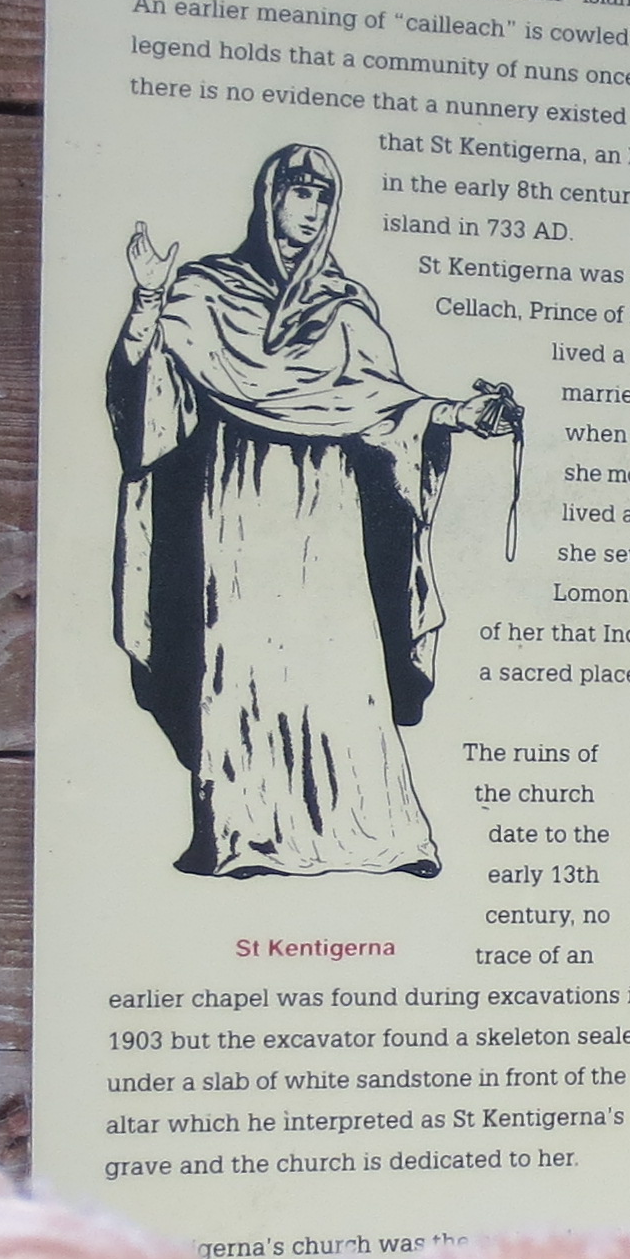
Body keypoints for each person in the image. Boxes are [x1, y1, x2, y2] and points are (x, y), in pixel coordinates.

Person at [108, 145, 518, 878]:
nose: (311, 210)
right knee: (247, 662)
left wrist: (458, 414)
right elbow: (148, 407)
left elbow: (387, 408)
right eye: (299, 192)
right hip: (238, 511)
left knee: (339, 659)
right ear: (268, 199)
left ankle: (378, 832)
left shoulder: (344, 308)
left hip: (326, 510)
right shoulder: (205, 292)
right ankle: (247, 833)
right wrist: (146, 301)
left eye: (323, 197)